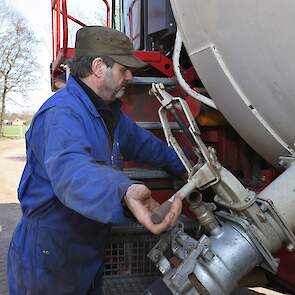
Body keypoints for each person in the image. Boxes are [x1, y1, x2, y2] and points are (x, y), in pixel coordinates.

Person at [7, 26, 185, 295]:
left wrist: (184, 167)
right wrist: (124, 190)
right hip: (50, 257)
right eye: (124, 69)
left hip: (85, 251)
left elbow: (144, 144)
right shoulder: (61, 114)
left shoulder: (107, 112)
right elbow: (72, 172)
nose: (130, 76)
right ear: (99, 67)